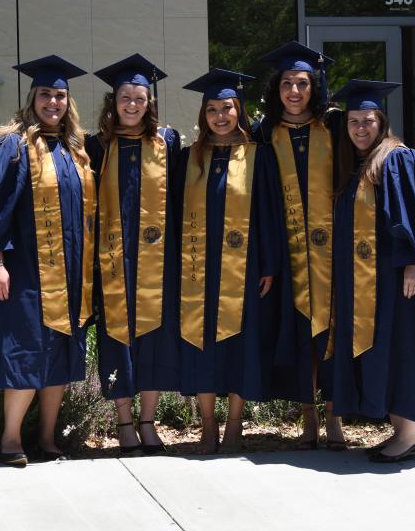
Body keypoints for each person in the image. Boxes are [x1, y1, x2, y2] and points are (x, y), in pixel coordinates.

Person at [0, 55, 96, 467]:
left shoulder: (73, 150)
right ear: (32, 98)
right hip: (23, 269)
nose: (53, 102)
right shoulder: (11, 145)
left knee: (60, 354)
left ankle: (47, 439)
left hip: (67, 272)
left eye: (60, 95)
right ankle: (11, 439)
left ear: (69, 102)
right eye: (46, 94)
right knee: (25, 351)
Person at [330, 80, 415, 462]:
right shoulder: (366, 163)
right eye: (353, 122)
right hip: (379, 281)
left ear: (381, 121)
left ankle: (409, 434)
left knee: (405, 348)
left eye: (367, 120)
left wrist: (413, 264)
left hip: (401, 278)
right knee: (393, 348)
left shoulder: (398, 159)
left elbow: (413, 218)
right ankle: (403, 433)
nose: (360, 128)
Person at [178, 69, 284, 453]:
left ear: (239, 111)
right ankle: (208, 426)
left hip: (246, 269)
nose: (220, 116)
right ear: (203, 115)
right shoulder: (189, 158)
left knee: (244, 344)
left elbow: (272, 213)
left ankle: (234, 426)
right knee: (201, 345)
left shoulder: (260, 156)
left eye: (227, 108)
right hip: (197, 271)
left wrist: (270, 264)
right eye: (212, 110)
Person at [86, 54, 181, 456]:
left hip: (157, 260)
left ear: (149, 102)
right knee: (116, 338)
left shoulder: (167, 143)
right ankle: (124, 422)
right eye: (125, 96)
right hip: (111, 260)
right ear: (114, 101)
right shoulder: (96, 146)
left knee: (156, 339)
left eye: (139, 97)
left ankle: (148, 421)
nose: (131, 104)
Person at [254, 42, 346, 450]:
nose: (294, 91)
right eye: (287, 83)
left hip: (334, 254)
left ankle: (335, 418)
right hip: (287, 253)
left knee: (334, 335)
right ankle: (308, 418)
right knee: (300, 336)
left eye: (303, 83)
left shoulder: (337, 127)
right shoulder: (263, 134)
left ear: (315, 87)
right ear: (277, 88)